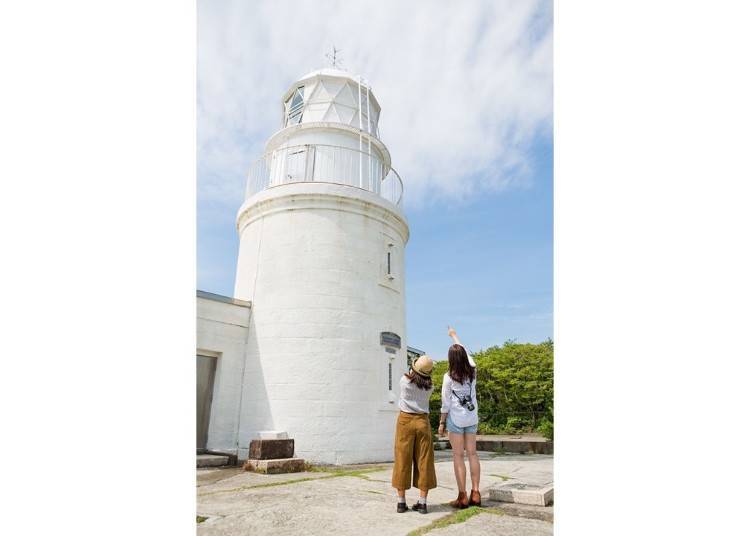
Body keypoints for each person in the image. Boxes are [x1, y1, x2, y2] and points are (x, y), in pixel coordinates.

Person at [438, 326, 481, 508]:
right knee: (473, 454)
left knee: (458, 455)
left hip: (456, 420)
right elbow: (464, 349)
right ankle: (476, 493)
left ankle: (462, 496)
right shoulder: (473, 371)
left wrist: (441, 423)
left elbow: (445, 403)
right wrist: (454, 335)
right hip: (472, 418)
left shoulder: (448, 377)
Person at [391, 354, 437, 514]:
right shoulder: (430, 387)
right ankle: (422, 503)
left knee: (402, 459)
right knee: (424, 460)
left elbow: (410, 373)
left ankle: (401, 502)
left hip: (405, 420)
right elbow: (421, 378)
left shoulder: (404, 382)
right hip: (423, 421)